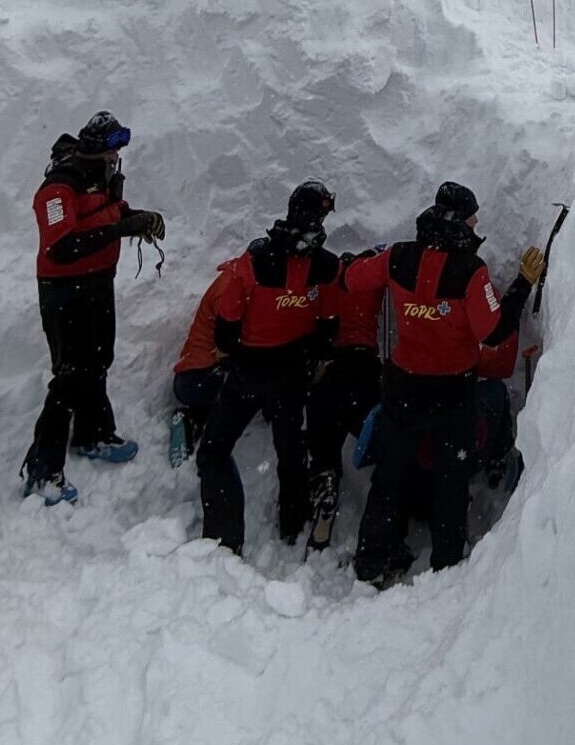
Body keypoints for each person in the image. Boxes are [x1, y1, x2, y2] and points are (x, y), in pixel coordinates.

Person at [344, 182, 507, 588]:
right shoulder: (471, 271)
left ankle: (370, 562)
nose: (476, 222)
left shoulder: (399, 256)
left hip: (403, 390)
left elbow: (353, 279)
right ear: (459, 220)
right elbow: (494, 331)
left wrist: (367, 257)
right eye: (472, 216)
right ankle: (447, 569)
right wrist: (521, 284)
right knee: (450, 484)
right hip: (453, 396)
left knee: (389, 478)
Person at [21, 110, 165, 505]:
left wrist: (139, 218)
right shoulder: (58, 188)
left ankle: (92, 433)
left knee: (99, 359)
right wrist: (121, 229)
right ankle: (42, 470)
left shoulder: (103, 176)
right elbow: (62, 246)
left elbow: (110, 213)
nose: (117, 159)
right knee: (70, 376)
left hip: (98, 283)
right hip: (64, 289)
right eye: (113, 151)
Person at [196, 182, 341, 554]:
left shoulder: (256, 259)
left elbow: (227, 323)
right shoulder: (325, 265)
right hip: (291, 375)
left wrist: (235, 353)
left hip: (248, 371)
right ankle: (292, 526)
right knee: (291, 455)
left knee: (214, 450)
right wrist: (312, 358)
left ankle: (223, 539)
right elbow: (328, 323)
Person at [303, 241, 387, 551]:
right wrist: (370, 254)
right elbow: (387, 255)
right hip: (365, 367)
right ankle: (386, 511)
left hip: (330, 370)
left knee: (323, 443)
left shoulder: (326, 283)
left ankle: (324, 487)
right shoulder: (369, 282)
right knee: (380, 441)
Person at [475, 245, 544, 490]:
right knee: (495, 392)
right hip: (458, 436)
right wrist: (523, 283)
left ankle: (495, 459)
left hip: (431, 419)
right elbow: (498, 332)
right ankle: (497, 459)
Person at [169, 267, 230, 467]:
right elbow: (231, 346)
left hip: (195, 374)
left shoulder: (239, 276)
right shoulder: (234, 289)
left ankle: (196, 420)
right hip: (199, 376)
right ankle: (198, 421)